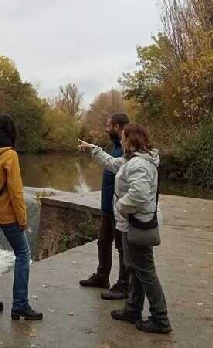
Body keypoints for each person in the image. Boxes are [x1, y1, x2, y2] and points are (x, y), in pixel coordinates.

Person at [78, 124, 172, 334]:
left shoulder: (139, 164)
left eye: (123, 138)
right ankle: (132, 310)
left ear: (130, 140)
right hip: (134, 223)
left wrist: (120, 206)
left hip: (138, 224)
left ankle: (160, 318)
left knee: (145, 271)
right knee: (136, 269)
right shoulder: (133, 161)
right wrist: (93, 148)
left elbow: (138, 195)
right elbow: (112, 163)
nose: (121, 141)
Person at [0, 114, 43, 321]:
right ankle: (20, 305)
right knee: (23, 253)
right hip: (6, 214)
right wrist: (22, 219)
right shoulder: (9, 155)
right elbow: (15, 190)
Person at [79, 113, 130, 301]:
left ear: (117, 127)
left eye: (108, 126)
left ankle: (124, 285)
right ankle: (102, 277)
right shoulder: (117, 147)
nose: (106, 129)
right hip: (108, 208)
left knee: (122, 247)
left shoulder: (126, 149)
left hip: (120, 209)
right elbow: (109, 162)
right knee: (103, 241)